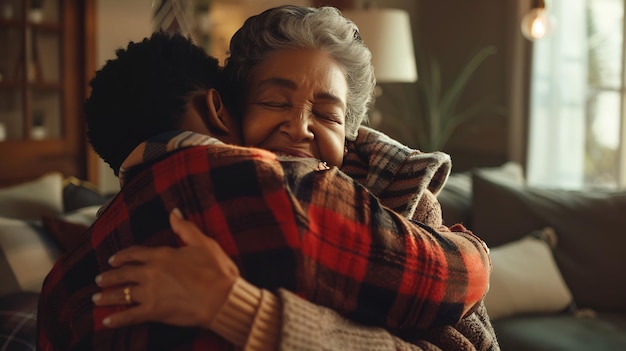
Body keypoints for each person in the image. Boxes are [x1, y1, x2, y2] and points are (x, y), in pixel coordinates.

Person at [37, 6, 497, 351]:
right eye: (275, 103)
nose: (299, 127)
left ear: (350, 131)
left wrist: (247, 312)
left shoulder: (406, 202)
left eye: (326, 114)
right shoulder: (263, 192)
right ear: (230, 109)